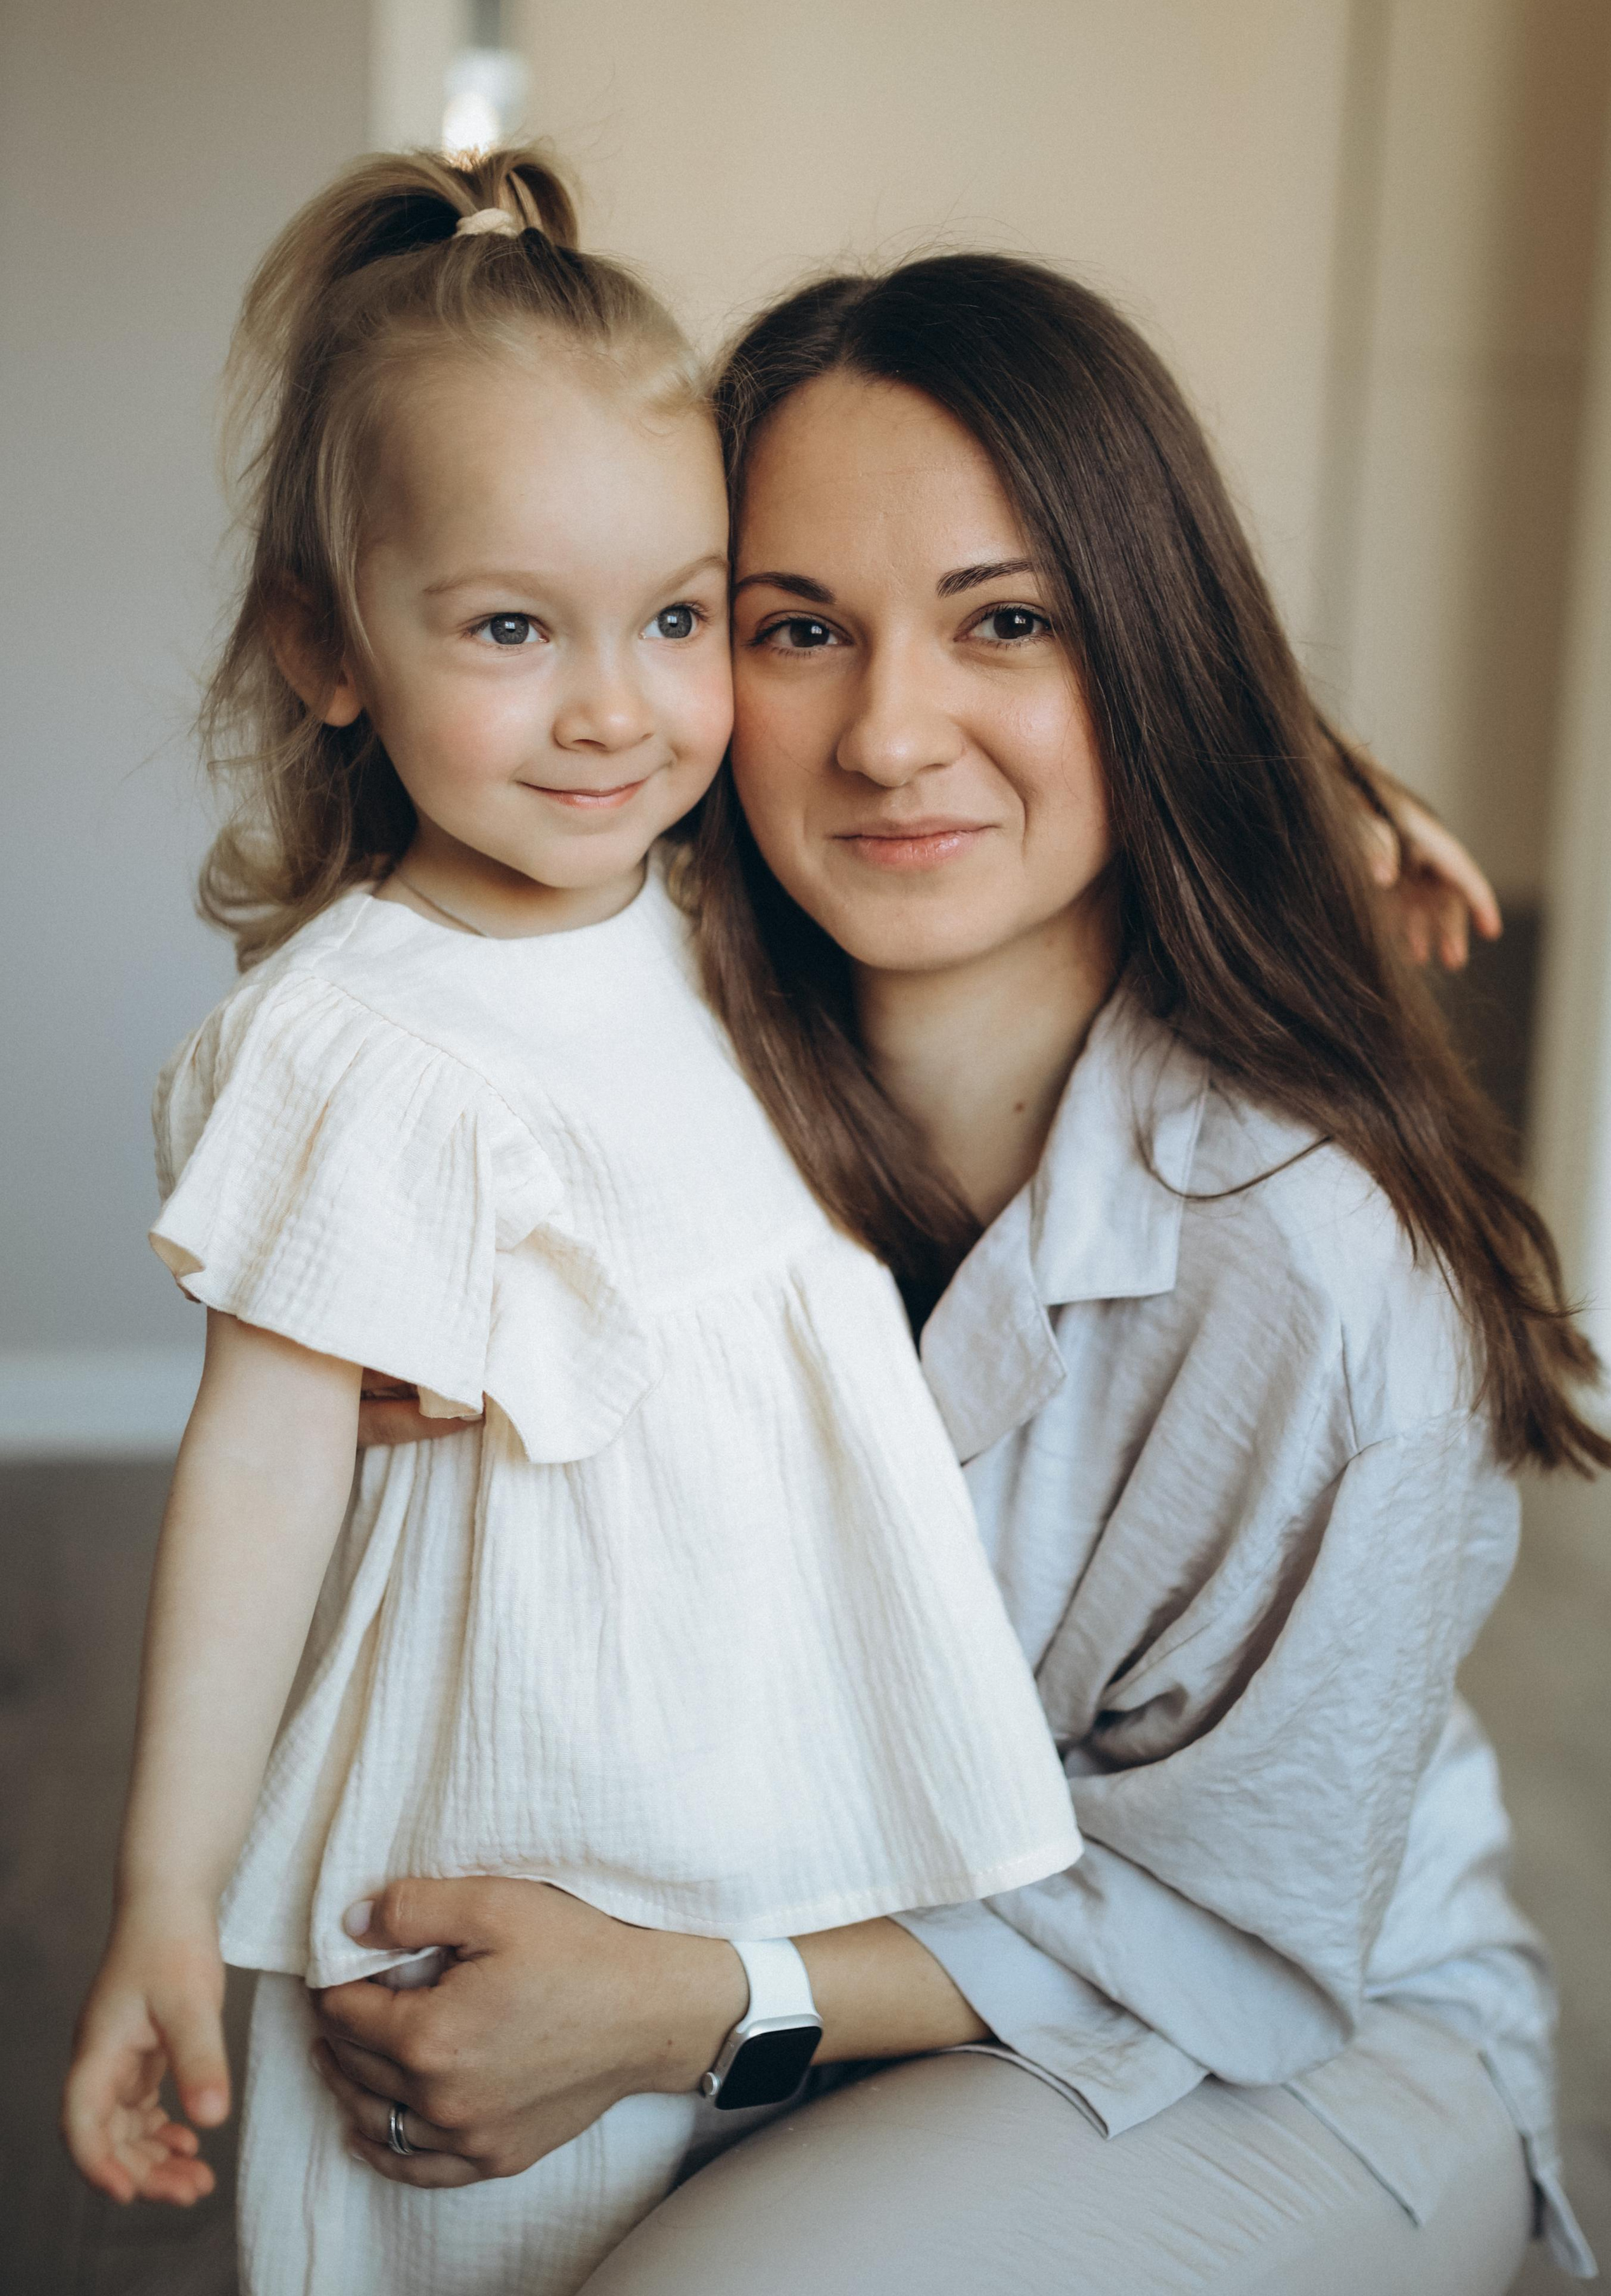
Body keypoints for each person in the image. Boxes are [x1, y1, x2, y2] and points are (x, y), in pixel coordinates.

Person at [308, 252, 1611, 2295]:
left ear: (1153, 657)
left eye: (1009, 622)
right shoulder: (640, 1044)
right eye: (796, 629)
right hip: (831, 1949)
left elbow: (1226, 1926)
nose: (892, 732)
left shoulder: (1319, 1276)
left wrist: (685, 2002)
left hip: (1283, 2034)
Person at [58, 155, 1091, 2296]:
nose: (616, 709)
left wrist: (1338, 795)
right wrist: (164, 1893)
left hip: (785, 1812)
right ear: (329, 653)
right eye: (513, 630)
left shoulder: (722, 919)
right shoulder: (364, 1042)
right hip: (513, 1811)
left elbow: (1095, 778)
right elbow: (256, 1476)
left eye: (683, 619)